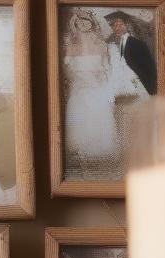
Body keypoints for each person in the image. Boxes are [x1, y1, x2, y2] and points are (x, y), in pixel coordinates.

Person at [62, 10, 118, 168]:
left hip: (98, 83)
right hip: (80, 84)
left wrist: (104, 83)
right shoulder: (72, 46)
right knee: (80, 110)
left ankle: (98, 153)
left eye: (86, 21)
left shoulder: (101, 44)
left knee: (100, 109)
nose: (83, 24)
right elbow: (68, 69)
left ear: (92, 23)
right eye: (79, 23)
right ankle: (82, 154)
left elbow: (107, 67)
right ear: (75, 25)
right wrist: (81, 79)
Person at [106, 11, 157, 95]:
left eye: (120, 24)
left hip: (141, 84)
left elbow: (148, 68)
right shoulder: (117, 43)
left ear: (127, 25)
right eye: (115, 25)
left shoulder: (137, 44)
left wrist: (150, 88)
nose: (117, 28)